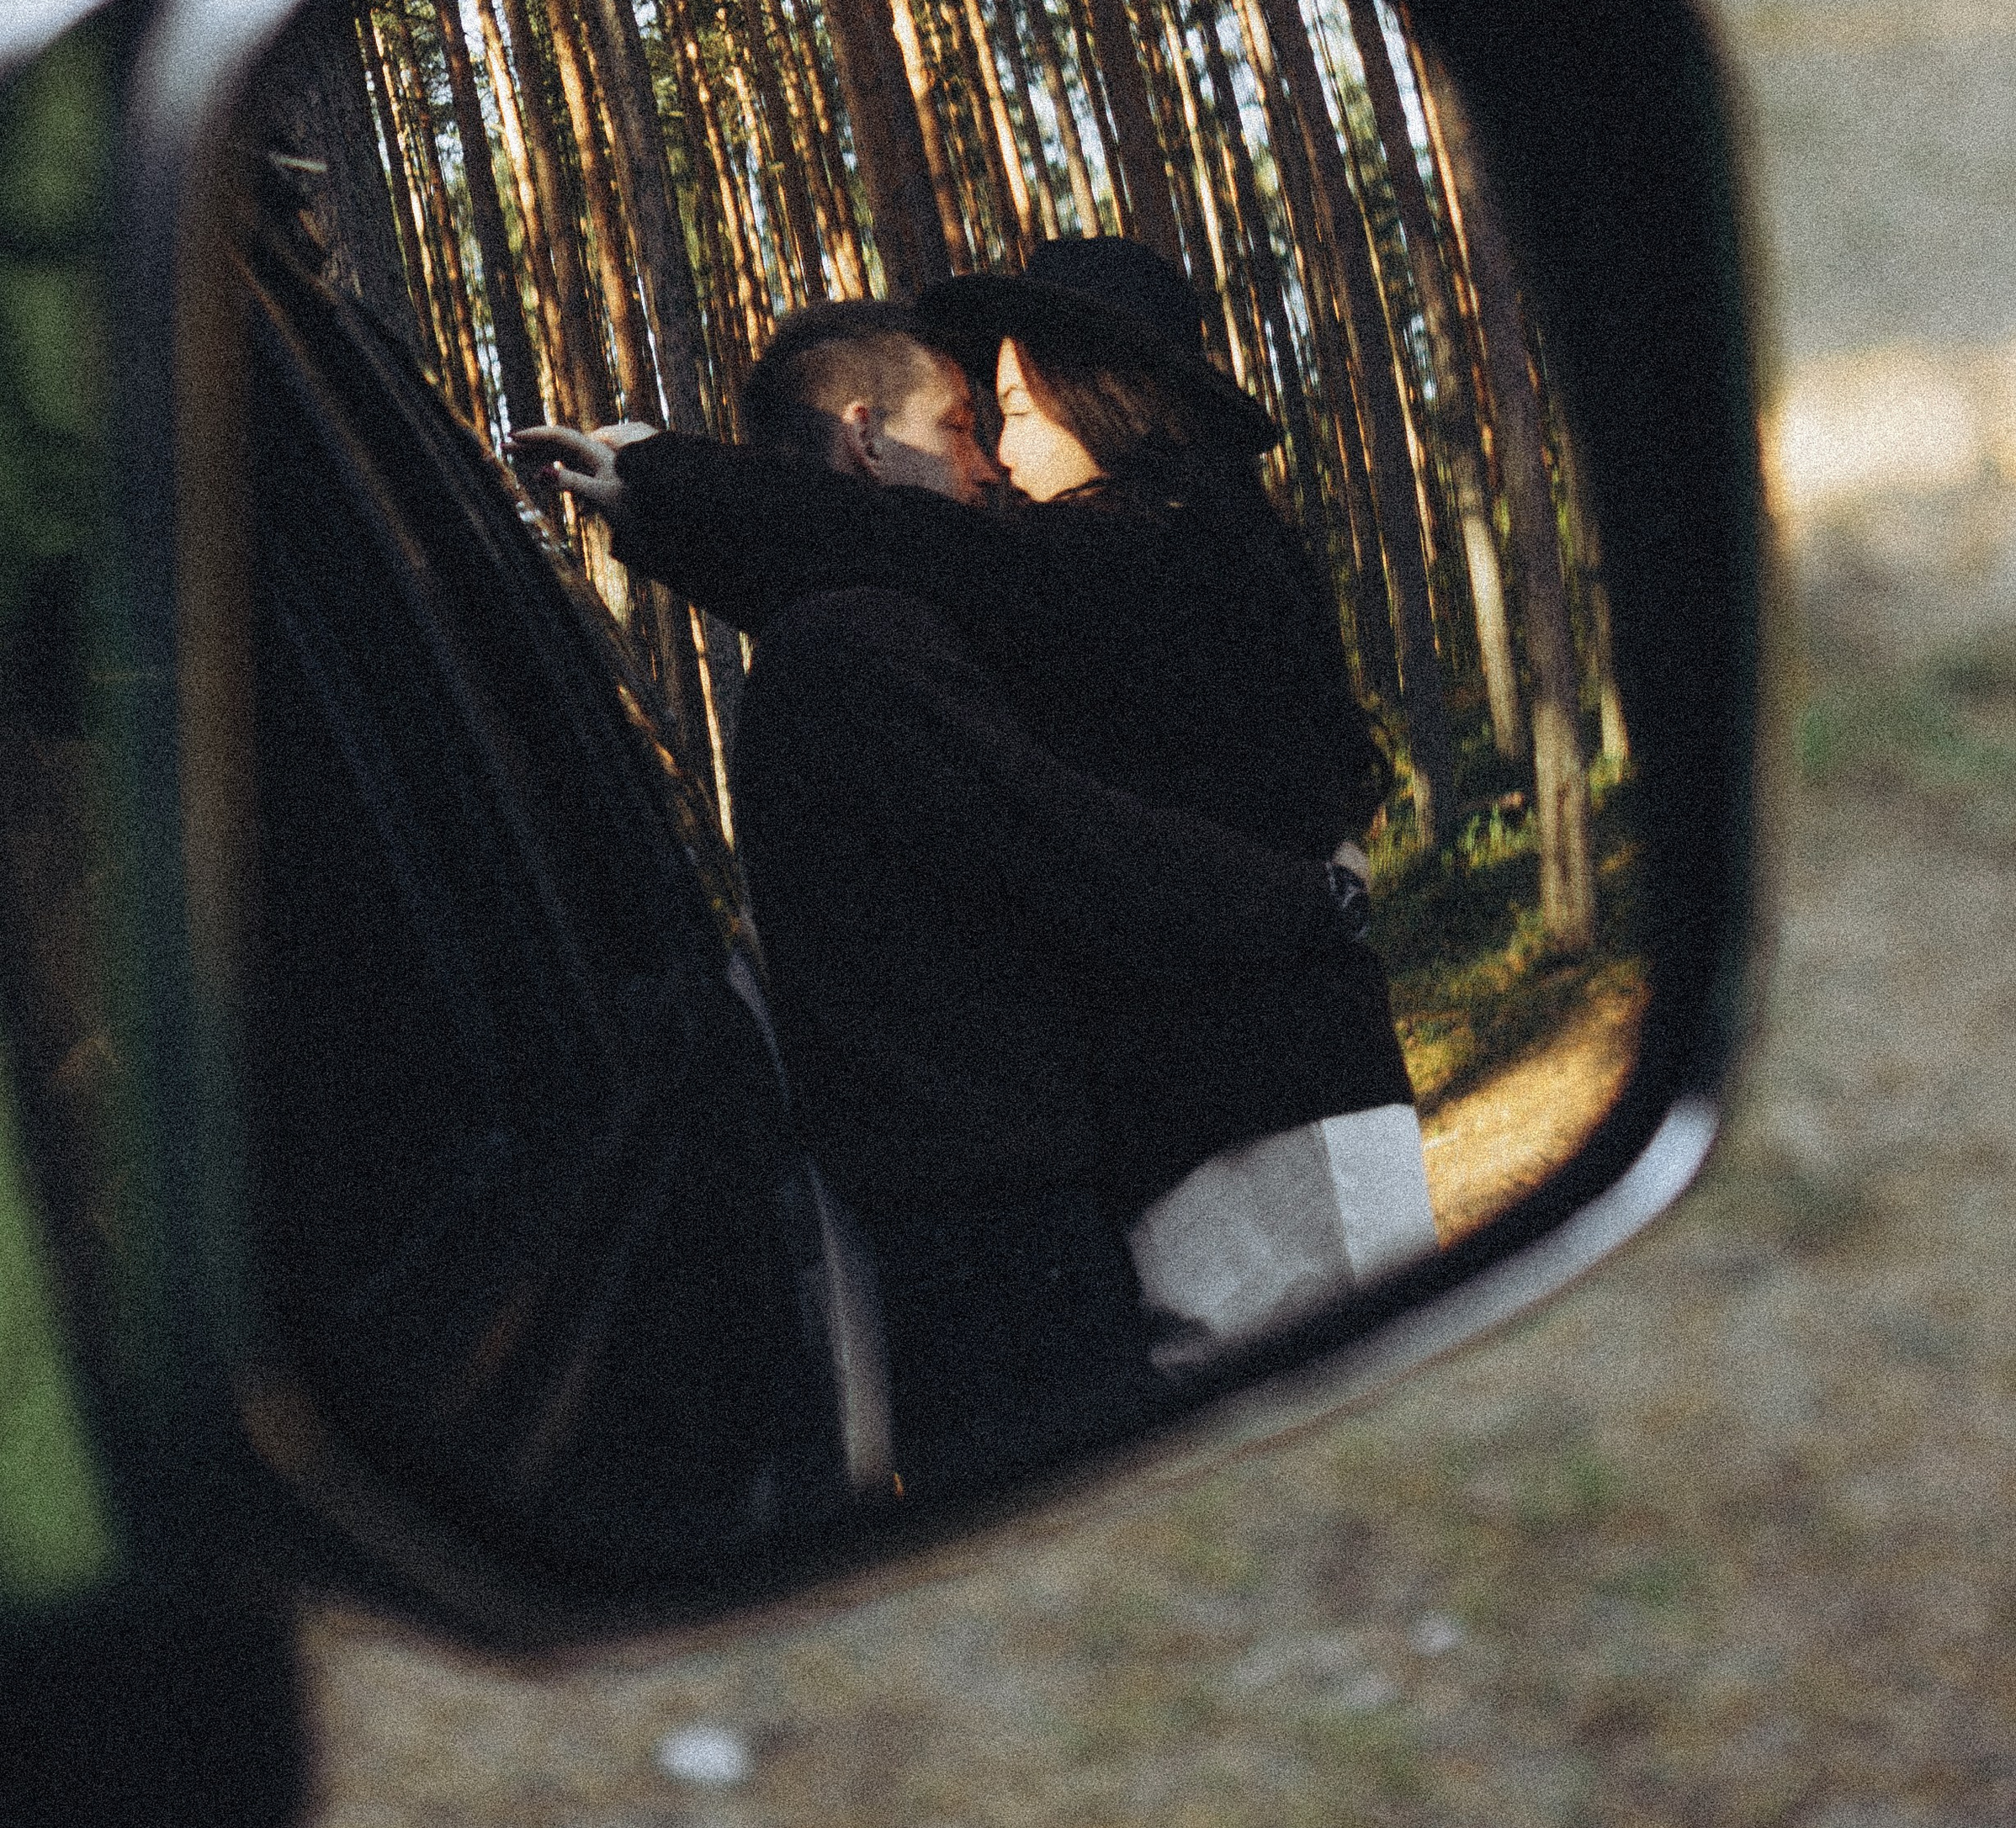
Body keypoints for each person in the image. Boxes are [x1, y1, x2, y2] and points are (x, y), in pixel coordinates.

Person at [517, 244, 1434, 1378]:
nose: (997, 459)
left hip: (1278, 1114)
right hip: (1218, 1120)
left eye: (1009, 409)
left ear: (1108, 402)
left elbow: (921, 555)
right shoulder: (1117, 572)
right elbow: (909, 581)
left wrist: (667, 484)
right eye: (979, 420)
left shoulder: (1173, 544)